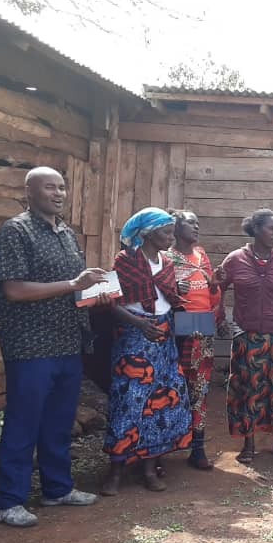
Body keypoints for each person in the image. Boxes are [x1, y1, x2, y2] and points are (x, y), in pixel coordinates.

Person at [0, 166, 106, 527]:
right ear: (29, 192)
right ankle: (10, 500)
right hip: (30, 344)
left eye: (61, 187)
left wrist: (97, 292)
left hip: (67, 340)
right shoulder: (15, 231)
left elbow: (74, 287)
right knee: (23, 422)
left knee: (58, 422)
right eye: (49, 187)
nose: (58, 194)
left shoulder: (67, 234)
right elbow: (15, 290)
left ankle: (58, 489)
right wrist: (74, 283)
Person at [100, 207, 195, 495]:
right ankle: (116, 470)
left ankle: (149, 468)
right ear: (148, 233)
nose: (171, 236)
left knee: (160, 401)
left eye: (171, 231)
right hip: (133, 338)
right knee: (128, 400)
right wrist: (140, 324)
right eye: (166, 232)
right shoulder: (125, 261)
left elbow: (168, 295)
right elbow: (112, 303)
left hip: (163, 339)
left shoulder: (166, 263)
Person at [217, 209, 273, 464]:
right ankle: (249, 443)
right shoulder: (234, 259)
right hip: (247, 335)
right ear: (256, 230)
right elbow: (216, 288)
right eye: (271, 229)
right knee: (249, 389)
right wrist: (220, 317)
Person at [164, 209, 221, 471]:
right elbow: (155, 294)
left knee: (199, 389)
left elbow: (213, 293)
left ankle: (197, 449)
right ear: (175, 227)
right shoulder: (166, 258)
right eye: (190, 223)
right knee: (172, 387)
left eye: (198, 223)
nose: (196, 227)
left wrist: (214, 286)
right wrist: (175, 291)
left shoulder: (202, 255)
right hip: (176, 327)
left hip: (202, 325)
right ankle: (162, 449)